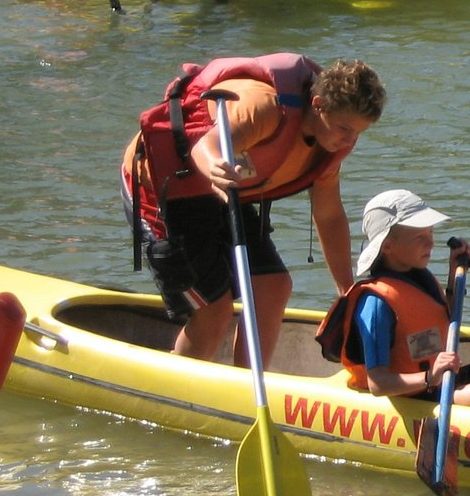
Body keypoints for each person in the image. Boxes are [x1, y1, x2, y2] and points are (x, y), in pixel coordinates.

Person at [120, 53, 385, 366]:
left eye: (359, 132)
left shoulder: (329, 147)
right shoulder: (265, 108)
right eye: (344, 128)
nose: (349, 141)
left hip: (229, 192)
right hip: (163, 188)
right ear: (318, 105)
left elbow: (328, 216)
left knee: (274, 286)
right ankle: (173, 389)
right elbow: (207, 146)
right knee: (214, 311)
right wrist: (215, 165)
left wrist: (345, 289)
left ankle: (246, 386)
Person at [331, 190, 470, 412]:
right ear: (388, 246)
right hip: (412, 395)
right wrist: (430, 376)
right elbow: (378, 384)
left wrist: (454, 273)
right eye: (420, 237)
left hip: (440, 381)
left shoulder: (420, 278)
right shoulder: (376, 303)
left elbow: (443, 320)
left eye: (430, 233)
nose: (430, 243)